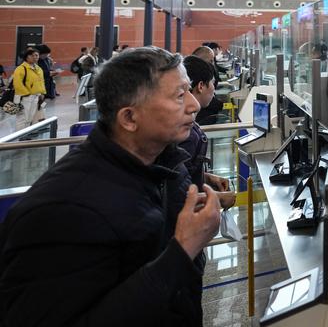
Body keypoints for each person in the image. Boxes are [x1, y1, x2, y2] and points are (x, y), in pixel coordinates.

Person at [0, 47, 220, 326]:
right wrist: (183, 250)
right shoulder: (63, 211)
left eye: (189, 90)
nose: (194, 104)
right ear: (129, 118)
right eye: (179, 95)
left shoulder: (165, 164)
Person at [180, 55, 236, 210]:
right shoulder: (186, 134)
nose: (213, 88)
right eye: (212, 82)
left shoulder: (189, 127)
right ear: (200, 86)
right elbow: (179, 194)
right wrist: (218, 198)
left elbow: (183, 175)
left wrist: (206, 177)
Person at [11, 47, 46, 130]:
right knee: (22, 118)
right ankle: (20, 135)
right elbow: (17, 83)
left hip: (36, 96)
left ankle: (26, 133)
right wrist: (27, 94)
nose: (35, 57)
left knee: (30, 118)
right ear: (27, 57)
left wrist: (42, 93)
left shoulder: (38, 69)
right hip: (24, 97)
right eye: (33, 55)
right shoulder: (21, 69)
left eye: (37, 55)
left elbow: (41, 82)